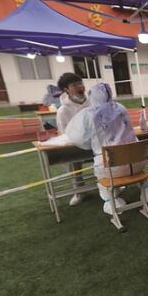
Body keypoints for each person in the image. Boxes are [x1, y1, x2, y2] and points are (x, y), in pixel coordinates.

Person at [65, 83, 148, 215]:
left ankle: (112, 201)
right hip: (138, 163)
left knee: (102, 173)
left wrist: (92, 143)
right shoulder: (120, 108)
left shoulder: (88, 113)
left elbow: (78, 138)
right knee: (126, 167)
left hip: (111, 168)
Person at [56, 73, 90, 206]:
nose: (79, 87)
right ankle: (79, 191)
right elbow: (64, 133)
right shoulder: (63, 110)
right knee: (71, 159)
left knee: (111, 150)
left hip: (96, 142)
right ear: (66, 89)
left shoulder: (93, 102)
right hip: (76, 146)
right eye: (74, 85)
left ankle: (111, 184)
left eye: (80, 83)